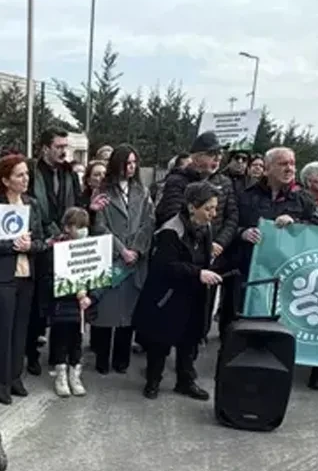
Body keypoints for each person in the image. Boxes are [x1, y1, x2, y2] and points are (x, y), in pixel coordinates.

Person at [135, 181, 224, 400]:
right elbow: (165, 266)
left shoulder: (206, 228)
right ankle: (153, 381)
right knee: (161, 342)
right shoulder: (170, 230)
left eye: (215, 208)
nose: (213, 214)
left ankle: (185, 381)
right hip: (168, 296)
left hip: (194, 294)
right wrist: (197, 273)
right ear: (193, 206)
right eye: (208, 208)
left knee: (189, 340)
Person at [0, 155, 47, 404]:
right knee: (1, 332)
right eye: (19, 175)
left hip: (26, 277)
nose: (25, 178)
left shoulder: (33, 204)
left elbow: (41, 240)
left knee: (20, 332)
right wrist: (13, 245)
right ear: (6, 180)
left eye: (26, 174)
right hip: (0, 278)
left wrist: (30, 245)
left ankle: (14, 378)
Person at [223, 147, 310, 338]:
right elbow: (227, 224)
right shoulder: (245, 194)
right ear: (267, 168)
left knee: (270, 328)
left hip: (282, 274)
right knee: (234, 325)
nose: (289, 169)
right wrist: (242, 233)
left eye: (292, 164)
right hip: (244, 269)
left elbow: (315, 230)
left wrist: (295, 224)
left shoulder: (302, 199)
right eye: (283, 164)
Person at [91, 145, 153, 375]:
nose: (131, 167)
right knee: (107, 311)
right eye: (127, 163)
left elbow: (149, 223)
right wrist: (121, 249)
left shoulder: (142, 192)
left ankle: (121, 360)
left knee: (128, 314)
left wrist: (136, 249)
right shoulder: (103, 191)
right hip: (111, 259)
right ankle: (101, 358)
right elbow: (99, 226)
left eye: (134, 163)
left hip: (134, 262)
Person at [26, 129, 81, 376]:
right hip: (41, 246)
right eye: (58, 146)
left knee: (64, 304)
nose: (63, 151)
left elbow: (77, 206)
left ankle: (58, 356)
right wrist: (50, 233)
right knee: (37, 304)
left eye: (65, 146)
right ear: (45, 148)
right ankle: (32, 354)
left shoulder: (70, 174)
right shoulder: (32, 173)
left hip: (66, 244)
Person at [48, 207, 99, 397]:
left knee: (77, 340)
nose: (83, 231)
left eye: (85, 227)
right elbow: (51, 279)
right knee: (61, 339)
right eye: (79, 226)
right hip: (63, 304)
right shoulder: (56, 248)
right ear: (68, 227)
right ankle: (61, 374)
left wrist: (91, 297)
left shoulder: (91, 249)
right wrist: (70, 293)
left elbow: (98, 278)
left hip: (82, 305)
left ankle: (74, 374)